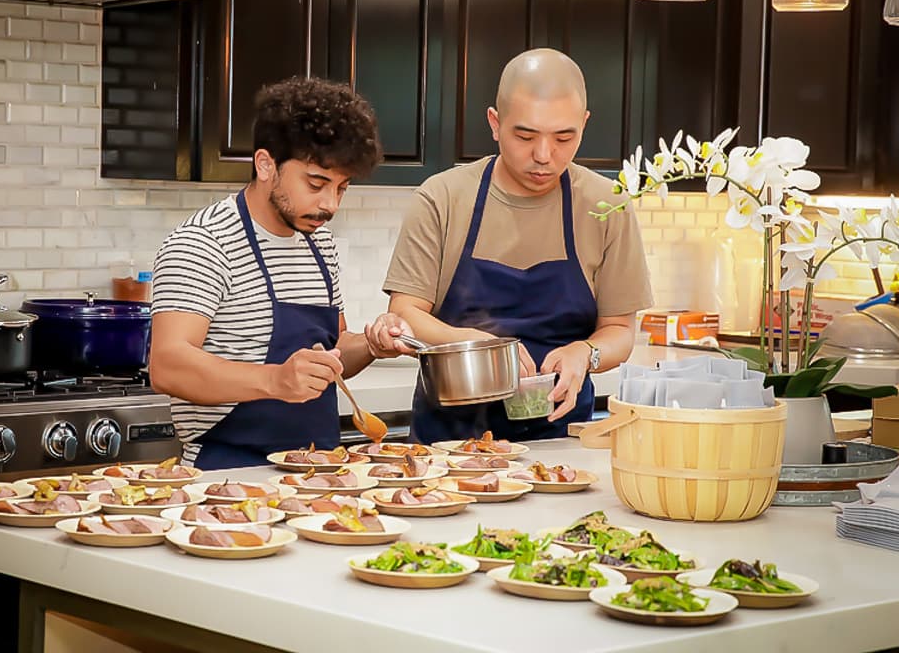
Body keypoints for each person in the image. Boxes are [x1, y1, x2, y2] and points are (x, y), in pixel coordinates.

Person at [382, 48, 653, 443]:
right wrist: (481, 346)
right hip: (448, 448)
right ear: (495, 123)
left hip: (562, 444)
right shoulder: (442, 198)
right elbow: (405, 314)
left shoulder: (607, 205)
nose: (544, 156)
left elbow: (619, 331)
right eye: (525, 136)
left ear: (584, 124)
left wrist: (586, 353)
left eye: (564, 137)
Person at [149, 77, 412, 468]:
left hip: (315, 473)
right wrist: (276, 380)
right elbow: (168, 366)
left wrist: (373, 345)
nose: (330, 205)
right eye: (316, 183)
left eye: (342, 188)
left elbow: (333, 351)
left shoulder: (319, 243)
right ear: (265, 164)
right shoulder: (204, 242)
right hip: (226, 476)